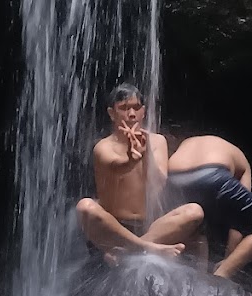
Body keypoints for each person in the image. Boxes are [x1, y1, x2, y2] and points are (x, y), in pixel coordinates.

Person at [76, 83, 204, 260]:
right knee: (85, 207)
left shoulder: (157, 141)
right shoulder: (103, 146)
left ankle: (129, 251)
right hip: (114, 227)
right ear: (112, 114)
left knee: (194, 211)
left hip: (151, 226)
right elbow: (116, 166)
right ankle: (147, 247)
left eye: (136, 108)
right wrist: (131, 160)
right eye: (123, 108)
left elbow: (159, 183)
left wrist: (146, 154)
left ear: (143, 111)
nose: (131, 114)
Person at [166, 134, 252, 278]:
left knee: (196, 230)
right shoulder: (242, 162)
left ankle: (196, 278)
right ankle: (220, 276)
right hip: (213, 172)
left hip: (174, 177)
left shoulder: (188, 143)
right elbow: (238, 223)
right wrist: (228, 260)